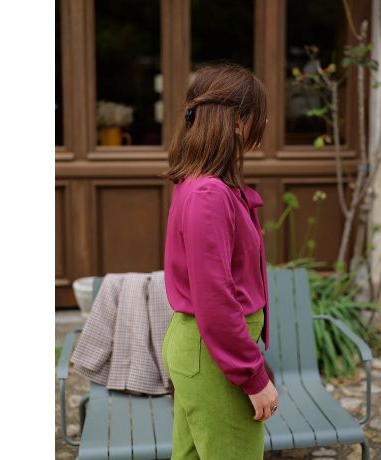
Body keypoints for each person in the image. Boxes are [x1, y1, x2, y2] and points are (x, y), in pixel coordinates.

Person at [159, 62, 279, 460]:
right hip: (215, 356)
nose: (264, 123)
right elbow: (216, 300)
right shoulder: (209, 194)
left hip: (207, 352)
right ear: (238, 122)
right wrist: (253, 376)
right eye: (259, 115)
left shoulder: (200, 184)